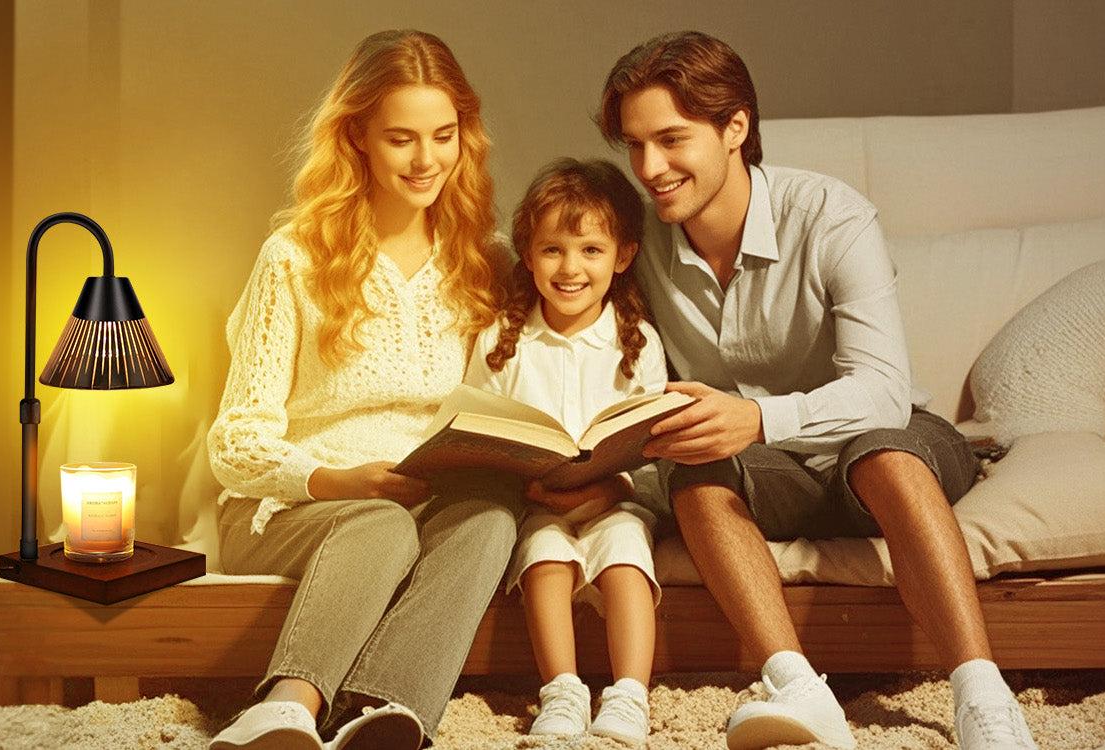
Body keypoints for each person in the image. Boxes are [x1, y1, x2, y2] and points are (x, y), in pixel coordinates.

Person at [597, 31, 1040, 750]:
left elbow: (884, 392)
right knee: (693, 474)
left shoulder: (832, 217)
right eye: (635, 145)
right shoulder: (636, 238)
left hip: (884, 444)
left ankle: (984, 698)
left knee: (884, 453)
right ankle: (797, 687)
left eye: (672, 140)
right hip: (767, 474)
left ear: (735, 127)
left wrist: (758, 417)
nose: (651, 167)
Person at [206, 29, 515, 750]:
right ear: (358, 139)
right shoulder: (293, 258)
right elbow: (235, 444)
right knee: (378, 521)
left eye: (444, 135)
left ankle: (384, 711)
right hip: (291, 507)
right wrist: (341, 479)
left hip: (423, 498)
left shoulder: (481, 263)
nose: (427, 159)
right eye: (401, 138)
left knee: (491, 519)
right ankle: (286, 708)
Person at [464, 158, 663, 747]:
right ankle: (563, 690)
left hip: (613, 502)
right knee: (546, 553)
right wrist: (517, 481)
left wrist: (614, 487)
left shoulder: (639, 342)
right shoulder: (502, 338)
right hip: (536, 503)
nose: (570, 268)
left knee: (626, 551)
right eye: (552, 250)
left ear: (622, 256)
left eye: (590, 251)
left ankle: (629, 695)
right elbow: (475, 432)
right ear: (527, 254)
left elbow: (654, 446)